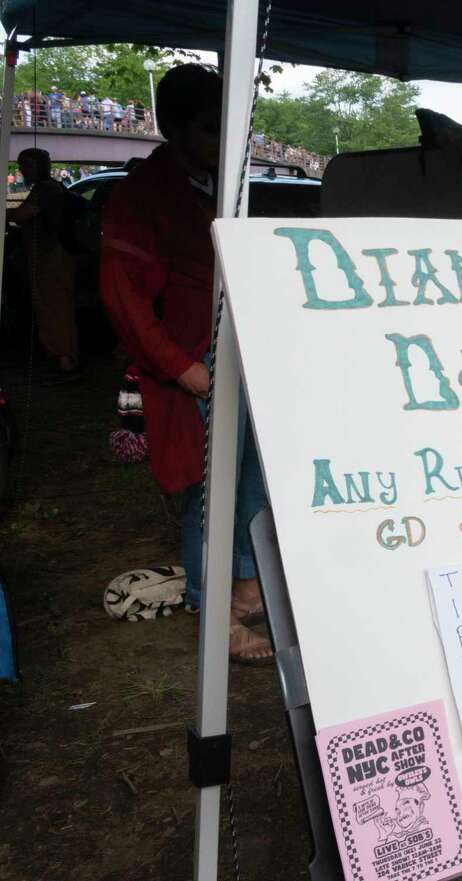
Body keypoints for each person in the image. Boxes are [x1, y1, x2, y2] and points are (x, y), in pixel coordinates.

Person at [100, 64, 273, 665]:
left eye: (228, 128)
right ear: (172, 129)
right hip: (193, 364)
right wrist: (184, 369)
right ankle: (210, 608)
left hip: (242, 351)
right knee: (209, 490)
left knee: (253, 474)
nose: (222, 142)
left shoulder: (224, 183)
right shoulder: (141, 196)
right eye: (207, 128)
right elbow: (125, 302)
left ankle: (248, 586)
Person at [9, 148, 80, 384]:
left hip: (51, 257)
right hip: (53, 256)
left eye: (25, 165)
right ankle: (63, 359)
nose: (22, 170)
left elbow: (22, 215)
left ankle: (64, 362)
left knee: (53, 307)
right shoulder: (52, 187)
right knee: (55, 307)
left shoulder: (45, 190)